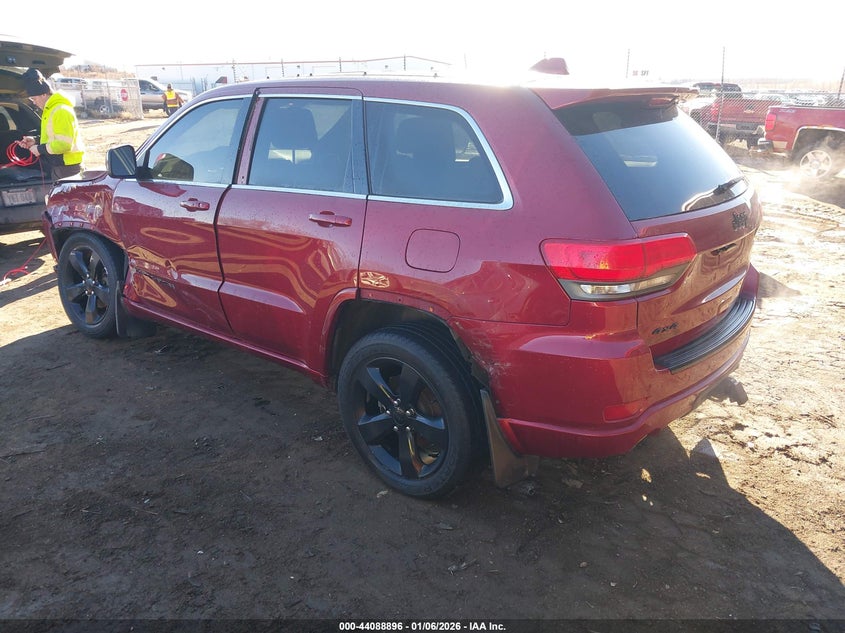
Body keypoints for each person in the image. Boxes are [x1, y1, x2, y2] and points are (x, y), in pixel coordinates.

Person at [19, 68, 84, 181]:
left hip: (68, 169)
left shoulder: (60, 110)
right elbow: (53, 137)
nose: (33, 102)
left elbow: (64, 144)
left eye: (34, 98)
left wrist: (39, 149)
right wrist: (35, 140)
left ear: (44, 94)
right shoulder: (51, 110)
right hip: (61, 167)